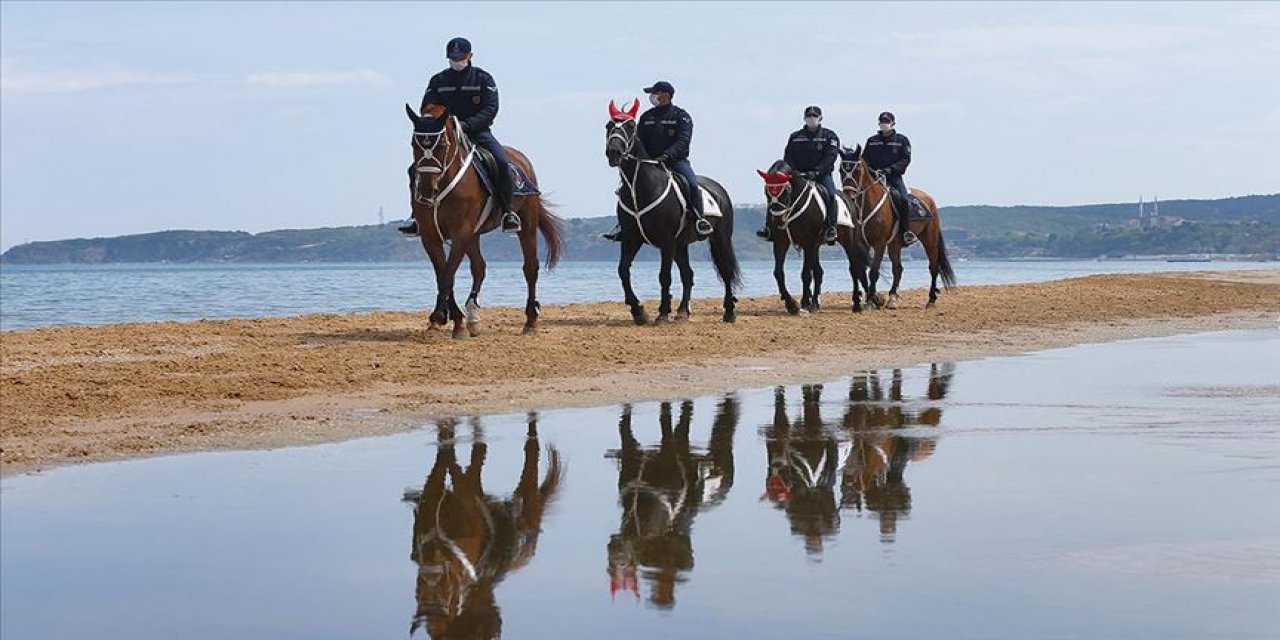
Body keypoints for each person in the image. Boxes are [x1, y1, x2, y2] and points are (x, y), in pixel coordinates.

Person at [399, 37, 521, 237]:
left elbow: (491, 108)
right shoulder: (438, 80)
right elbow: (427, 108)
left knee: (500, 161)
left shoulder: (483, 79)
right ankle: (416, 216)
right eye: (453, 57)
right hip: (445, 135)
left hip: (477, 132)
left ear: (470, 56)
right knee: (415, 169)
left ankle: (508, 213)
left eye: (461, 57)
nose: (457, 61)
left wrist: (466, 125)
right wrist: (440, 124)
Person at [603, 80, 713, 242]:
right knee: (626, 188)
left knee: (692, 184)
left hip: (675, 162)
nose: (652, 97)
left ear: (666, 95)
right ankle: (623, 225)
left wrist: (667, 155)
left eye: (655, 93)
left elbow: (683, 140)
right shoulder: (647, 117)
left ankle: (699, 219)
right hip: (649, 163)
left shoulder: (681, 116)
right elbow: (638, 140)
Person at [758, 105, 841, 244]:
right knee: (776, 194)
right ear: (804, 118)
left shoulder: (830, 136)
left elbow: (830, 157)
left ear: (820, 118)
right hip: (797, 176)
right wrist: (795, 172)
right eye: (809, 116)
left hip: (821, 175)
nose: (811, 119)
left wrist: (816, 171)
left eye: (814, 116)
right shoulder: (795, 137)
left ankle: (830, 227)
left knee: (831, 195)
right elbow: (788, 156)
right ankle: (769, 228)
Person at [862, 111, 915, 245]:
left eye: (887, 121)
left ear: (893, 123)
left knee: (904, 200)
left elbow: (905, 159)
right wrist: (871, 171)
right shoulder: (872, 141)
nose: (884, 124)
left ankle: (905, 231)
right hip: (874, 179)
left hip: (893, 178)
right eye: (882, 121)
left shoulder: (902, 140)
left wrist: (890, 169)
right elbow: (864, 159)